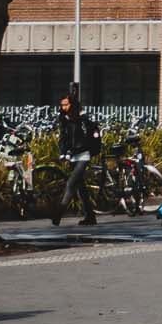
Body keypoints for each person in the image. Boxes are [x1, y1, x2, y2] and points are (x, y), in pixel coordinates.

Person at [50, 91, 102, 228]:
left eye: (66, 104)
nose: (63, 107)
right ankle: (90, 216)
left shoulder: (82, 118)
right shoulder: (63, 118)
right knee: (81, 188)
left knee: (71, 184)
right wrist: (63, 152)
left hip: (83, 154)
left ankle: (58, 214)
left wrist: (72, 151)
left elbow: (84, 139)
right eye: (62, 105)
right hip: (72, 156)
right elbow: (63, 138)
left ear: (72, 104)